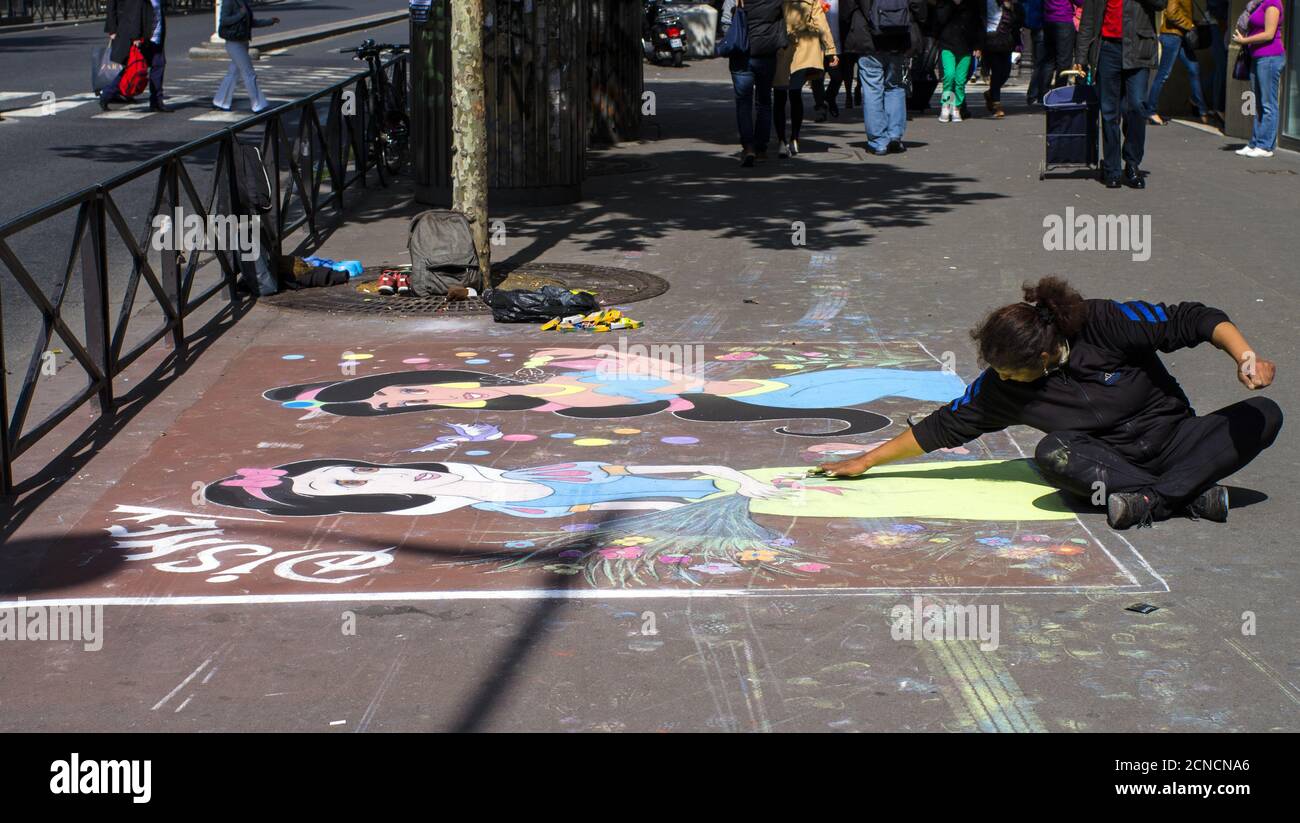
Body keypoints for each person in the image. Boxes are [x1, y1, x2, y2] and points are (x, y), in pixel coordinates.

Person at [819, 277, 1282, 531]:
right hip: (1109, 464)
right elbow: (943, 427)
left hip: (1177, 439)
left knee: (1263, 415)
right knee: (1053, 454)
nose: (1001, 379)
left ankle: (1155, 500)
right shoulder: (1000, 388)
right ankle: (1187, 493)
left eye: (1010, 372)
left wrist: (1244, 355)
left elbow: (1194, 319)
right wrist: (867, 460)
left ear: (1042, 358)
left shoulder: (1104, 321)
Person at [1073, 0, 1166, 189]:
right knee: (1109, 112)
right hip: (1107, 49)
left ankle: (1132, 164)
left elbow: (1161, 3)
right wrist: (1081, 57)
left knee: (1137, 106)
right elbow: (1088, 20)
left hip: (1138, 48)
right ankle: (1112, 169)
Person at [845, 0, 929, 154]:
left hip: (867, 37)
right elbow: (919, 7)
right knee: (895, 86)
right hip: (898, 35)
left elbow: (846, 8)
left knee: (872, 89)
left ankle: (879, 141)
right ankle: (894, 136)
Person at [774, 0, 840, 156]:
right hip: (804, 48)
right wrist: (831, 50)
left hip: (781, 46)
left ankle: (781, 141)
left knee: (779, 96)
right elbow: (820, 21)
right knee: (795, 94)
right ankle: (794, 138)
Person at [731, 0, 788, 166]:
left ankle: (748, 147)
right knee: (764, 102)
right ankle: (761, 148)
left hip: (742, 53)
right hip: (766, 54)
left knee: (743, 103)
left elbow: (726, 21)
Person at [1145, 0, 1212, 126]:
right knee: (1163, 74)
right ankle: (1150, 111)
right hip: (1172, 36)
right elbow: (1171, 13)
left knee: (1194, 68)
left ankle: (1201, 109)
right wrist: (1190, 25)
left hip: (1181, 36)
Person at [1232, 0, 1285, 158]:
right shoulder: (1259, 3)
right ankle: (1254, 142)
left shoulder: (1273, 3)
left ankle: (1266, 146)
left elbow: (1269, 34)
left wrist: (1244, 41)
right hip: (1257, 57)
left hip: (1269, 57)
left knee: (1268, 103)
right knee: (1258, 103)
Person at [99, 0, 170, 112]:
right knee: (133, 70)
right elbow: (134, 15)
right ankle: (107, 94)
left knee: (159, 66)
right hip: (143, 38)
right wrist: (135, 36)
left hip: (157, 37)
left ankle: (157, 101)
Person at [212, 0, 280, 113]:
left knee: (233, 73)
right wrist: (240, 14)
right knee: (249, 73)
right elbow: (224, 20)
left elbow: (250, 22)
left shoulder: (243, 2)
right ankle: (258, 105)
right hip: (234, 43)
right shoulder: (230, 1)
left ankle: (220, 101)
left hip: (243, 42)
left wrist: (269, 21)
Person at [934, 0, 985, 122]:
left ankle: (957, 107)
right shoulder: (944, 4)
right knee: (949, 75)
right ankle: (946, 105)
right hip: (947, 45)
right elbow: (939, 21)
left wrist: (978, 46)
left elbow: (978, 26)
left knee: (960, 80)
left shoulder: (972, 5)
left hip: (966, 47)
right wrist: (951, 5)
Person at [981, 0, 1024, 117]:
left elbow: (1019, 23)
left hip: (1006, 41)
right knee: (996, 70)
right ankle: (996, 103)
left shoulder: (1012, 5)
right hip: (990, 39)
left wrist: (1011, 9)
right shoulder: (986, 3)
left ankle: (991, 93)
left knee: (1005, 72)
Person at [1041, 0, 1084, 92]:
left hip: (1048, 19)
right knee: (1064, 60)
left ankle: (1043, 93)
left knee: (1049, 60)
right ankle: (1059, 91)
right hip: (1063, 19)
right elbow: (1079, 2)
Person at [1024, 0, 1048, 104]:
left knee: (1039, 62)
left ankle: (1034, 93)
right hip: (1042, 26)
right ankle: (1035, 93)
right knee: (1042, 63)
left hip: (1035, 27)